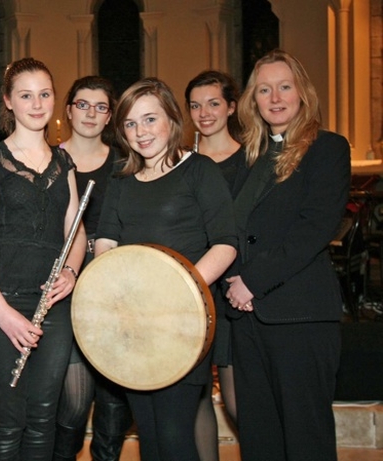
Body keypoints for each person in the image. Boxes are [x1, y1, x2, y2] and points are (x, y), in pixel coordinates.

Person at [94, 78, 237, 461]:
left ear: (172, 120)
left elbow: (225, 243)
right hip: (133, 326)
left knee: (175, 436)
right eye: (130, 123)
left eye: (150, 119)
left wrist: (177, 289)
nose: (141, 132)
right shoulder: (121, 181)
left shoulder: (199, 171)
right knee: (151, 438)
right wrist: (111, 292)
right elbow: (105, 242)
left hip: (183, 322)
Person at [0, 57, 87, 460]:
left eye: (44, 94)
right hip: (3, 302)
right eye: (26, 95)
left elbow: (76, 232)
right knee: (10, 419)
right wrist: (2, 312)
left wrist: (71, 270)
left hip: (54, 306)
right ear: (8, 101)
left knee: (44, 416)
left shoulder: (64, 162)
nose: (36, 103)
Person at [225, 49, 350, 461]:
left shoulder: (327, 149)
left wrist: (252, 282)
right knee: (259, 437)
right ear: (253, 100)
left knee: (305, 437)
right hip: (248, 319)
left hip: (300, 316)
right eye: (264, 89)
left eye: (284, 86)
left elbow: (313, 229)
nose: (275, 97)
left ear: (302, 92)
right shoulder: (250, 156)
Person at [53, 76, 133, 461]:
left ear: (109, 117)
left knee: (115, 396)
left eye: (101, 107)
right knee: (73, 399)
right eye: (82, 104)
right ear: (68, 111)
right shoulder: (49, 160)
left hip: (112, 285)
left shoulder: (125, 162)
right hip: (63, 285)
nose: (91, 113)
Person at [184, 70, 246, 461]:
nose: (204, 113)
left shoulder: (251, 161)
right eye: (195, 105)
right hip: (193, 290)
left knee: (240, 400)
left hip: (238, 292)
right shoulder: (182, 164)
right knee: (198, 396)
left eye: (213, 103)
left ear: (232, 107)